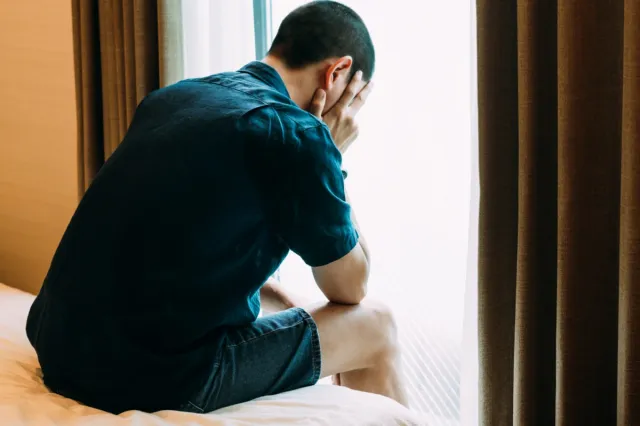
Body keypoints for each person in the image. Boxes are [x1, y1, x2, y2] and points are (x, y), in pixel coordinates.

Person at [26, 0, 407, 414]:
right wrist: (330, 153)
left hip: (59, 346)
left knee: (277, 293)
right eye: (354, 100)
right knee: (376, 324)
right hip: (147, 376)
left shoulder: (176, 96)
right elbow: (351, 287)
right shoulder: (296, 136)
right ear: (337, 73)